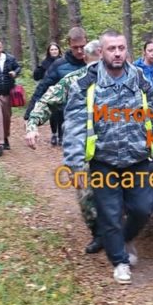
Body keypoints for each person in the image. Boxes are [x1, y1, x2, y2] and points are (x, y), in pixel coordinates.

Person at [62, 30, 153, 285]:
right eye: (111, 48)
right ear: (101, 52)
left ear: (127, 50)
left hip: (137, 158)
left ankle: (125, 239)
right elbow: (73, 123)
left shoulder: (139, 77)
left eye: (121, 48)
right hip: (104, 160)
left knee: (143, 209)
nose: (117, 53)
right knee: (110, 213)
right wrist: (73, 161)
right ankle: (120, 261)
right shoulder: (86, 81)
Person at [24, 40, 103, 254]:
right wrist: (32, 124)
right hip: (78, 147)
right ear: (86, 59)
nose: (99, 61)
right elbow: (46, 101)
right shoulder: (73, 81)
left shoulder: (119, 79)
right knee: (85, 192)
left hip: (107, 146)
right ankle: (97, 232)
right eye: (95, 57)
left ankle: (115, 229)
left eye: (101, 55)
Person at [29, 27, 89, 145]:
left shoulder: (95, 63)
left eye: (82, 46)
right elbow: (43, 87)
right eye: (75, 47)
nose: (80, 51)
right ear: (69, 44)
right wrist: (30, 114)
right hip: (69, 118)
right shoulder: (59, 65)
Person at [34, 42, 64, 144]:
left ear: (59, 51)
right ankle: (54, 134)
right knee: (53, 114)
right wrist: (39, 70)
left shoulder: (63, 62)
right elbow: (37, 76)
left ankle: (61, 136)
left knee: (62, 114)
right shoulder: (45, 63)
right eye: (52, 49)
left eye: (55, 49)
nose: (54, 51)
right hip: (50, 91)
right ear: (49, 51)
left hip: (62, 90)